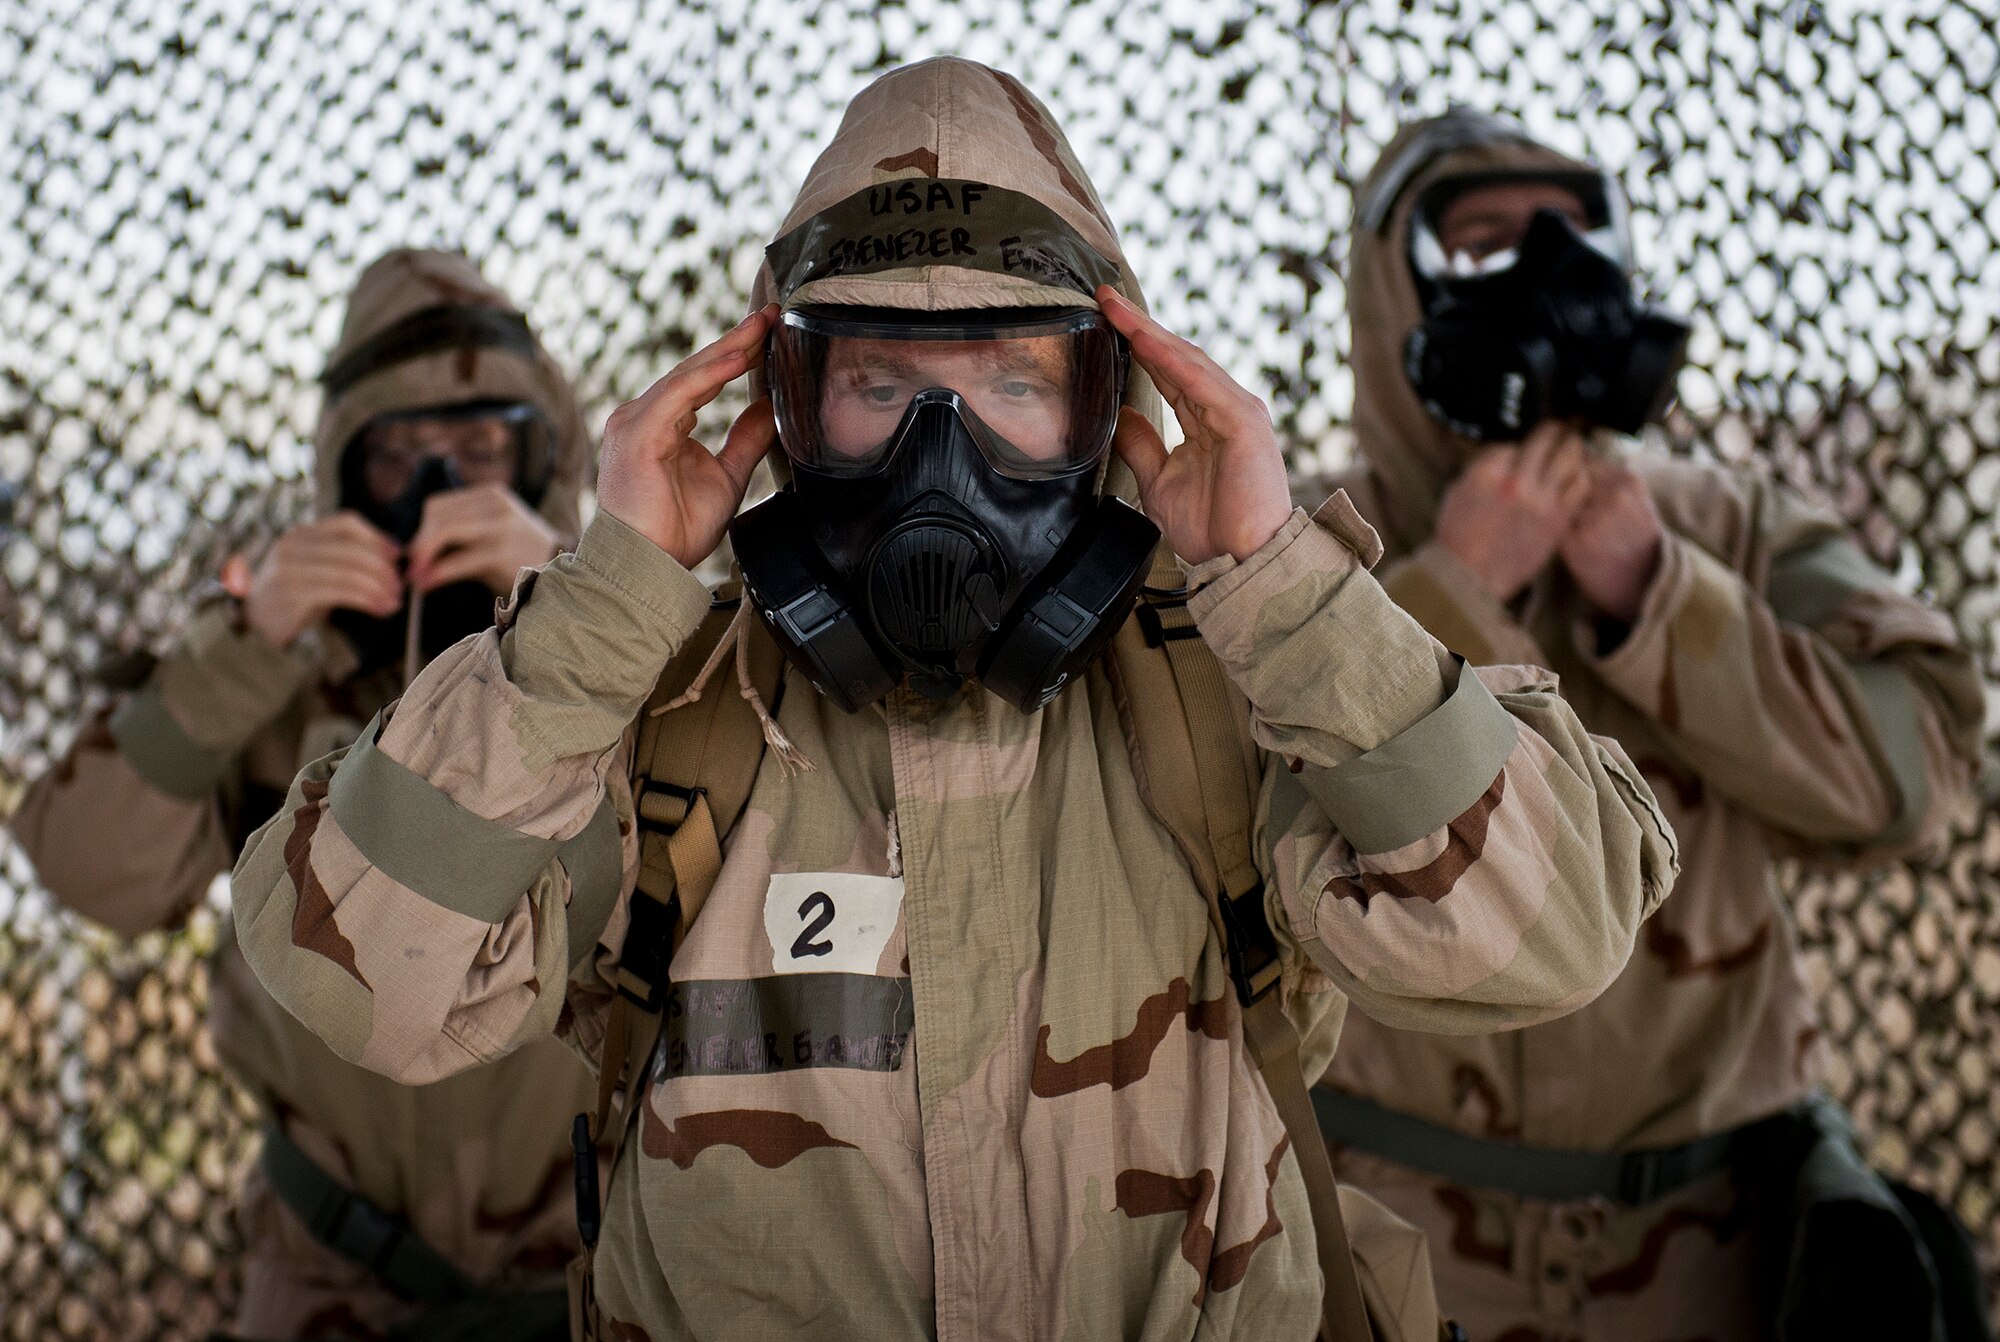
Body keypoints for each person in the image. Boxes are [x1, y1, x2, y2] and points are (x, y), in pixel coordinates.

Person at [231, 63, 1676, 1342]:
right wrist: (602, 609)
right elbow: (362, 986)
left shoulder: (1244, 691)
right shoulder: (657, 718)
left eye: (1010, 377)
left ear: (1111, 403)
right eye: (875, 380)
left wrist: (1286, 588)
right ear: (782, 407)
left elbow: (1547, 940)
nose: (944, 445)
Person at [1301, 108, 1986, 1341]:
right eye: (1485, 238)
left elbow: (1918, 773)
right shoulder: (1292, 550)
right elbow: (1230, 831)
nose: (1548, 265)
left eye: (1571, 230)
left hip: (1711, 1258)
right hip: (1386, 1254)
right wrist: (1448, 589)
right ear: (1394, 288)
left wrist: (1664, 602)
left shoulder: (1727, 526)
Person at [12, 248, 599, 1340]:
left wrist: (581, 603)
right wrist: (249, 640)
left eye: (480, 449)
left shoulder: (620, 650)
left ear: (543, 452)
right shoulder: (269, 681)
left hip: (597, 1274)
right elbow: (89, 872)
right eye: (399, 457)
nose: (438, 487)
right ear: (344, 471)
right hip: (328, 1279)